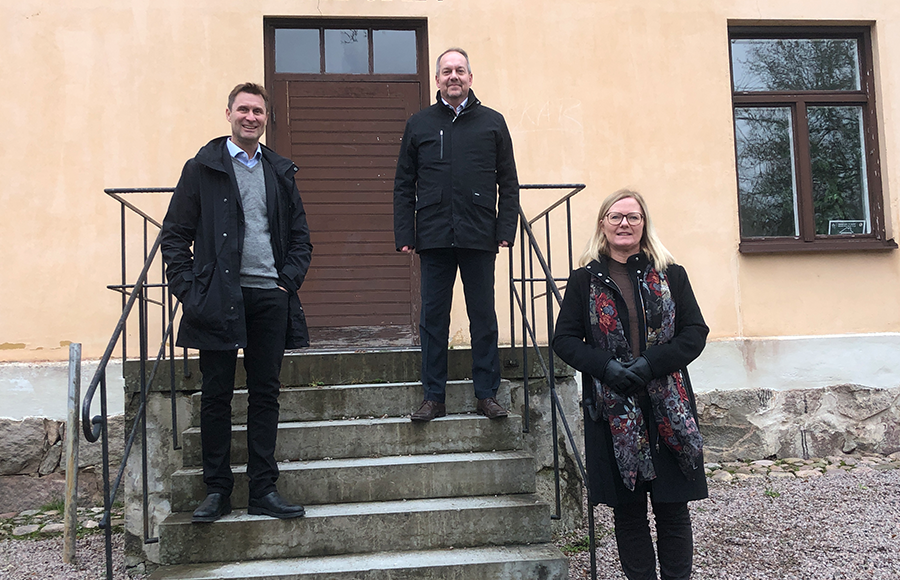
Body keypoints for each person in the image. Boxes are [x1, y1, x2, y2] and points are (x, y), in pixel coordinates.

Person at [161, 82, 313, 523]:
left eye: (258, 112)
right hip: (218, 297)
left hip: (270, 296)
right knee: (216, 396)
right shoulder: (202, 168)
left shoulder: (279, 172)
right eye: (243, 110)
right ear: (228, 113)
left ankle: (263, 488)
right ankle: (217, 490)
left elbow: (301, 237)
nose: (251, 117)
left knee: (266, 394)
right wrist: (189, 290)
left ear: (267, 119)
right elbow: (175, 234)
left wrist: (287, 283)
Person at [552, 189, 709, 580]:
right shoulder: (585, 280)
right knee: (630, 512)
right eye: (616, 217)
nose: (625, 224)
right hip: (614, 410)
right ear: (603, 225)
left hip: (667, 409)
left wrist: (649, 364)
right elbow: (565, 339)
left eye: (633, 217)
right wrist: (607, 367)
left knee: (673, 509)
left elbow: (694, 332)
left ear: (644, 224)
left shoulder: (672, 274)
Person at [393, 48, 519, 422]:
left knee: (483, 317)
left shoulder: (493, 123)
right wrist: (405, 232)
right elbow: (403, 184)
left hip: (480, 232)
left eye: (459, 70)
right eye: (446, 71)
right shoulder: (419, 124)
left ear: (470, 77)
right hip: (432, 234)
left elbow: (508, 182)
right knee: (433, 319)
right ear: (437, 80)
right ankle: (433, 396)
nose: (453, 76)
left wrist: (505, 228)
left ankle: (487, 394)